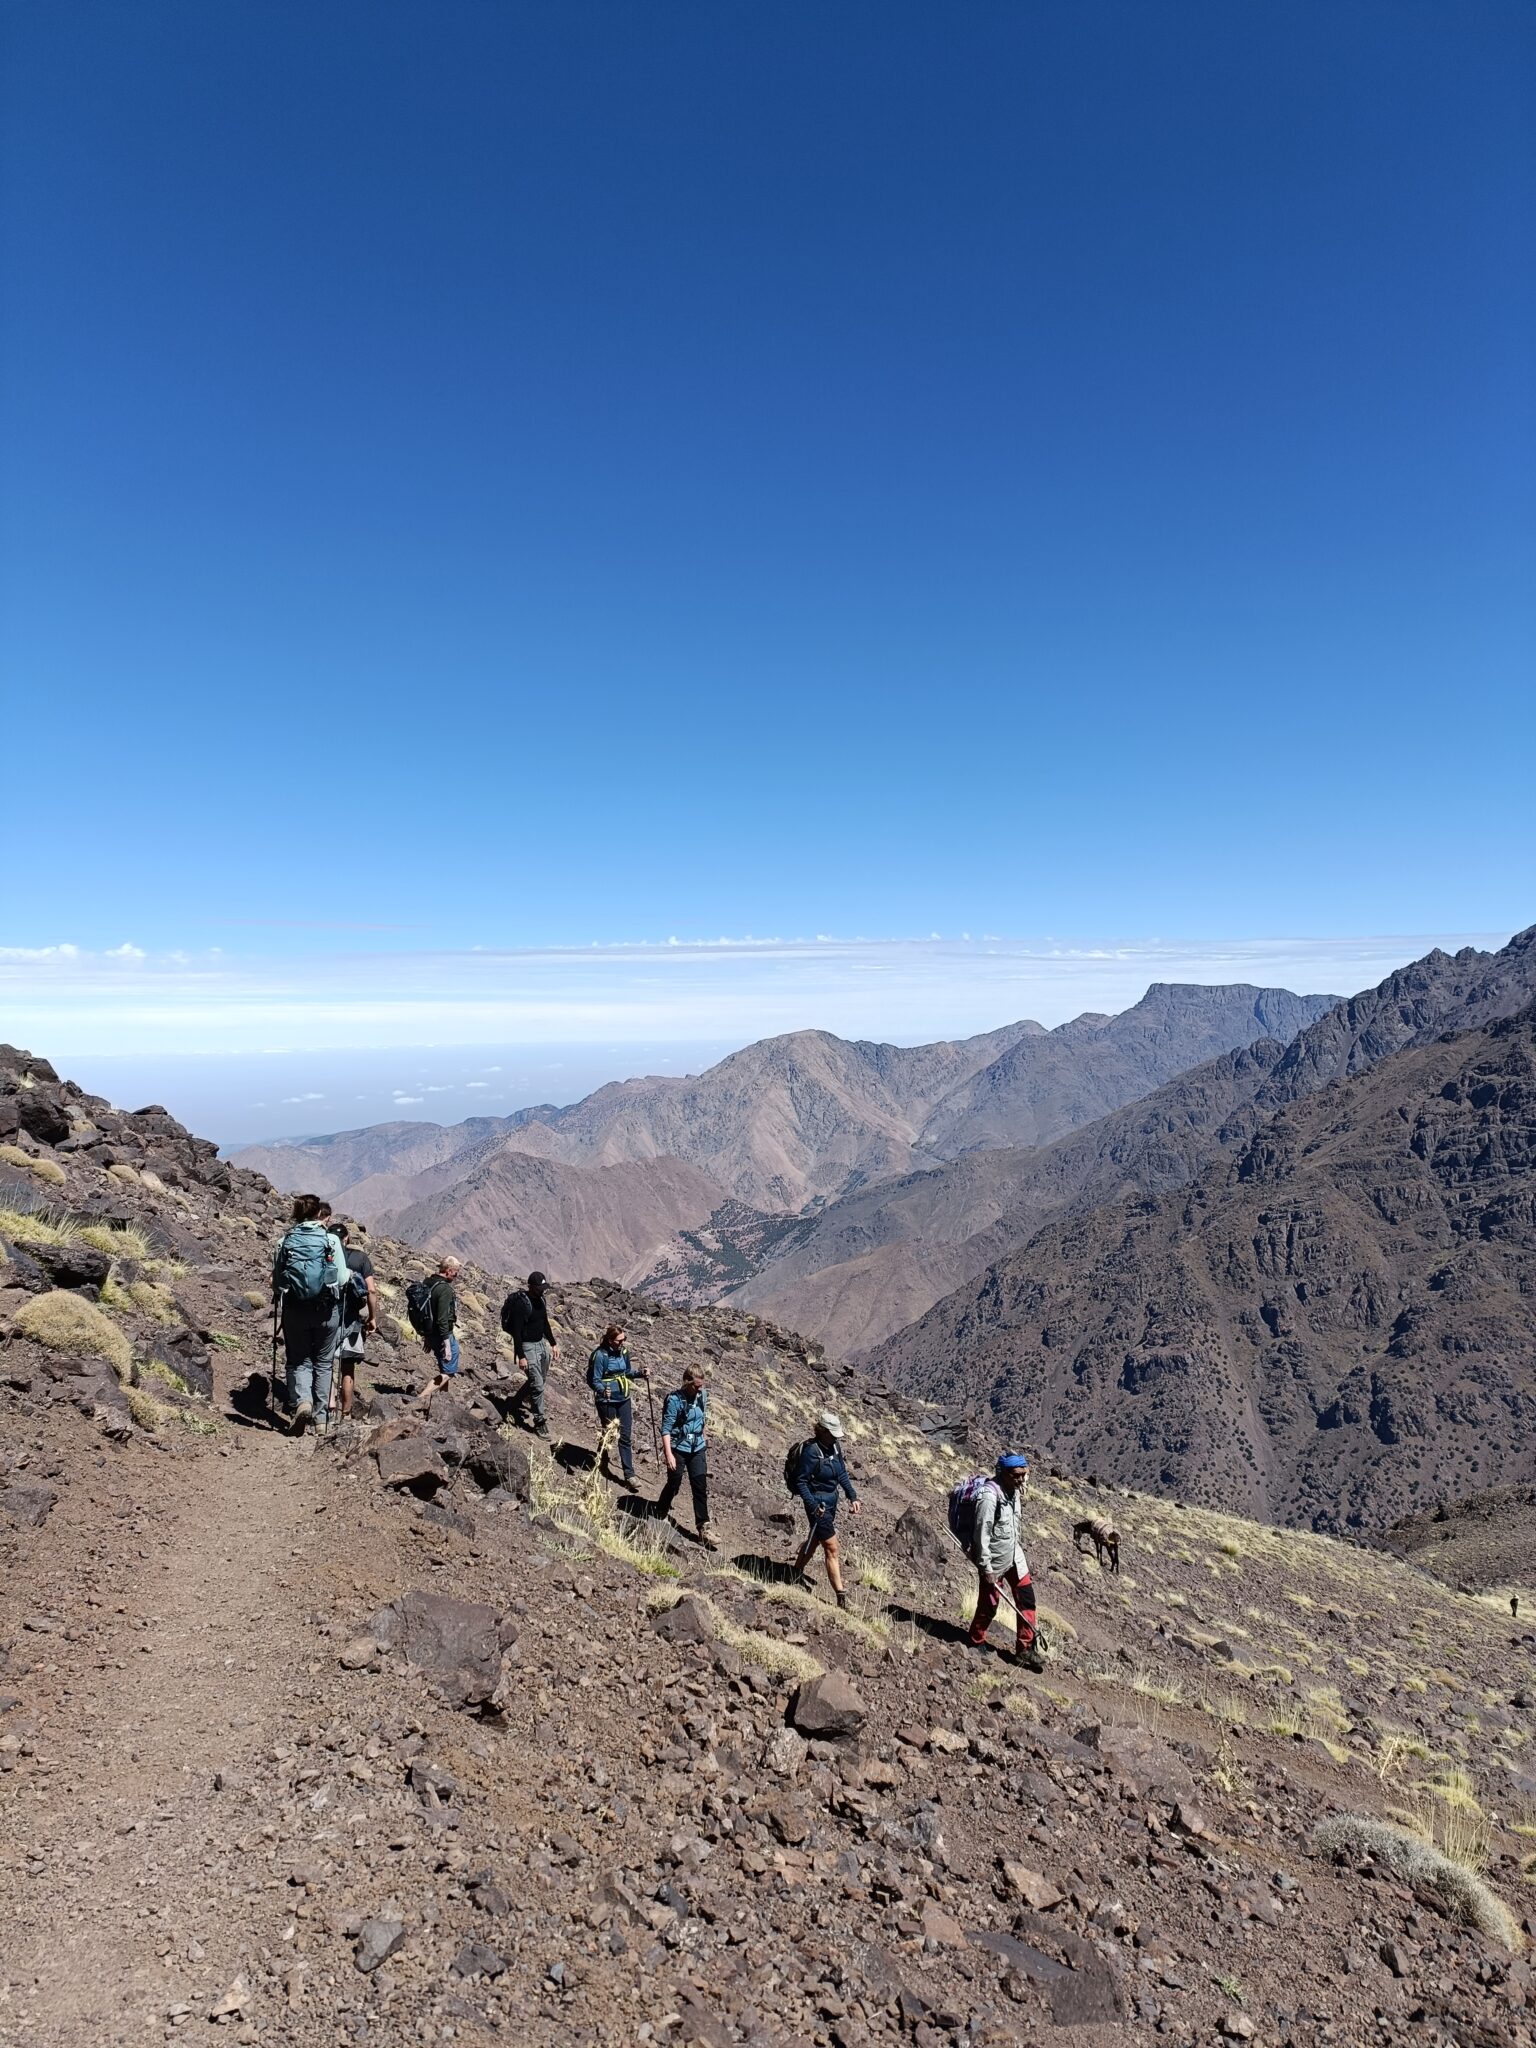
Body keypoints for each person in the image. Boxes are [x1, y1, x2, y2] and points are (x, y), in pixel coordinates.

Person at [271, 1193, 349, 1435]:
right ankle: (322, 1420)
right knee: (324, 1363)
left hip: (295, 1310)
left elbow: (276, 1281)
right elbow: (343, 1278)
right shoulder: (330, 1241)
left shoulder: (284, 1241)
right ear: (318, 1214)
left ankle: (303, 1401)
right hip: (326, 1311)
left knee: (299, 1360)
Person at [968, 1453, 1044, 1671]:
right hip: (994, 1561)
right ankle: (976, 1640)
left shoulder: (1014, 1492)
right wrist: (986, 1568)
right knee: (989, 1604)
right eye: (1017, 1475)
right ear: (1003, 1473)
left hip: (1014, 1556)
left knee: (1027, 1599)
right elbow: (981, 1534)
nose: (1021, 1480)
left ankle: (1026, 1649)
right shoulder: (989, 1497)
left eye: (1024, 1475)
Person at [657, 1365, 716, 1548]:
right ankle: (661, 1511)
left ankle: (703, 1526)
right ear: (687, 1382)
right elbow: (666, 1429)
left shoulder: (702, 1396)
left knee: (699, 1486)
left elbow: (702, 1418)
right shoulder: (675, 1400)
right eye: (696, 1386)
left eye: (701, 1386)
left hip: (697, 1447)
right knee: (674, 1483)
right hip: (678, 1446)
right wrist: (668, 1454)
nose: (699, 1389)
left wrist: (704, 1437)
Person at [587, 1323, 647, 1491]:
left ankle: (629, 1475)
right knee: (609, 1434)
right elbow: (594, 1379)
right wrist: (601, 1389)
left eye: (624, 1340)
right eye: (619, 1340)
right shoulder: (600, 1356)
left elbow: (626, 1372)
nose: (622, 1343)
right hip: (607, 1401)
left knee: (625, 1436)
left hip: (624, 1398)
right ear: (610, 1340)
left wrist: (640, 1374)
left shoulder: (624, 1352)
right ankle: (602, 1460)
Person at [501, 1270, 559, 1440]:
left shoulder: (541, 1300)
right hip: (527, 1347)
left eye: (543, 1287)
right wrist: (521, 1356)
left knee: (538, 1380)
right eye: (539, 1287)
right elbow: (517, 1333)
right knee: (538, 1384)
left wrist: (553, 1343)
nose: (542, 1290)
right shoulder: (522, 1304)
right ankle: (540, 1422)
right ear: (531, 1286)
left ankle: (514, 1403)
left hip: (541, 1345)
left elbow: (545, 1322)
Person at [331, 1220, 377, 1426]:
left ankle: (327, 1409)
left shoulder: (324, 1257)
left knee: (325, 1366)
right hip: (352, 1320)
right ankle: (346, 1414)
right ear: (347, 1238)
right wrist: (373, 1316)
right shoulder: (360, 1258)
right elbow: (371, 1290)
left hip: (325, 1319)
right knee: (347, 1369)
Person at [418, 1256, 462, 1409]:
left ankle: (444, 1403)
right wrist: (447, 1344)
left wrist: (426, 1336)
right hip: (442, 1334)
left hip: (431, 1333)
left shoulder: (428, 1282)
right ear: (449, 1271)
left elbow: (426, 1312)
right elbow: (442, 1318)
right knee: (449, 1371)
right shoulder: (444, 1289)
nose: (457, 1276)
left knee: (444, 1368)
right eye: (456, 1272)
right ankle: (421, 1398)